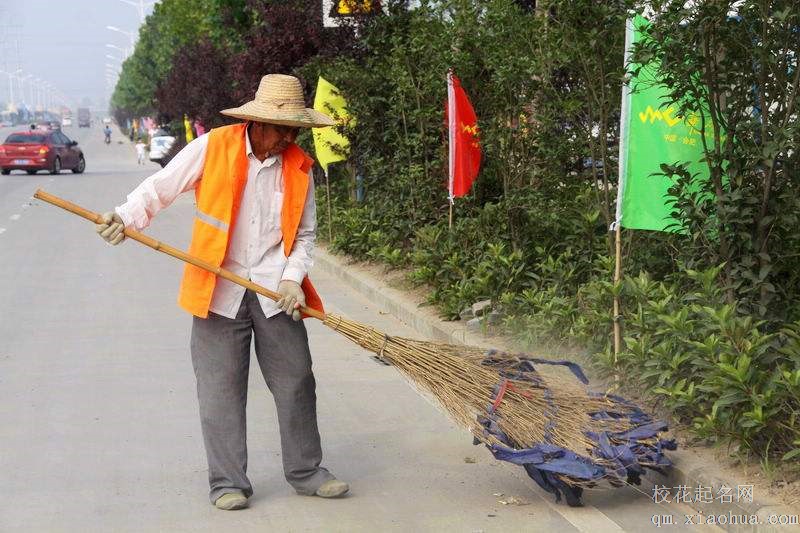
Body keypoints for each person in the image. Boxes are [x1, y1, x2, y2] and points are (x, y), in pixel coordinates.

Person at [95, 74, 347, 511]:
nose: (287, 139)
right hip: (217, 287)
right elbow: (161, 188)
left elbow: (304, 235)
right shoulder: (214, 146)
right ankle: (228, 482)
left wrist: (291, 278)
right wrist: (123, 217)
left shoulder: (299, 166)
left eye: (294, 131)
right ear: (258, 122)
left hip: (273, 292)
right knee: (220, 389)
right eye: (281, 129)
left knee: (297, 381)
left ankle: (307, 471)